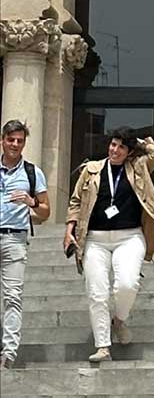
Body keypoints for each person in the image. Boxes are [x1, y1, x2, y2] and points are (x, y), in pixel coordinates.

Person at [63, 128, 154, 362]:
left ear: (129, 151)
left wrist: (138, 142)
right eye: (113, 144)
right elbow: (76, 201)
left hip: (129, 237)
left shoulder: (138, 167)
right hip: (94, 239)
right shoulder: (92, 170)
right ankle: (102, 346)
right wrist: (69, 231)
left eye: (121, 146)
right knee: (97, 293)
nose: (114, 150)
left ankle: (118, 320)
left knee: (127, 285)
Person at [0, 120, 50, 370]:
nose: (15, 145)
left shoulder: (33, 172)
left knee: (13, 296)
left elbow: (46, 213)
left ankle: (8, 353)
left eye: (20, 141)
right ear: (3, 140)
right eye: (11, 140)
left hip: (15, 239)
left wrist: (31, 202)